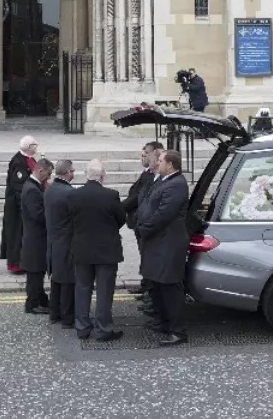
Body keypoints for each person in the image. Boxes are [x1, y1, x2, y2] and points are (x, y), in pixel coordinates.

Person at [136, 149, 190, 346]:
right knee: (157, 285)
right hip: (157, 242)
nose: (157, 163)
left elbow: (163, 214)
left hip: (168, 243)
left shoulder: (177, 184)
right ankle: (163, 322)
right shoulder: (164, 180)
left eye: (160, 160)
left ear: (171, 164)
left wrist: (144, 228)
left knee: (170, 287)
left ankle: (178, 331)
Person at [70, 159, 126, 342]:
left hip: (82, 249)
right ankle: (103, 330)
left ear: (87, 175)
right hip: (106, 250)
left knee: (82, 289)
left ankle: (82, 328)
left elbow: (70, 219)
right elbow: (121, 219)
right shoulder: (111, 195)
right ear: (102, 175)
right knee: (104, 291)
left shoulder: (74, 195)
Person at [124, 141, 163, 304]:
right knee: (144, 256)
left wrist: (118, 207)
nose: (143, 156)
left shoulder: (153, 177)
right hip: (139, 223)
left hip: (145, 224)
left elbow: (137, 198)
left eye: (146, 153)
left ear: (156, 154)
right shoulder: (146, 174)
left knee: (148, 257)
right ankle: (146, 285)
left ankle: (149, 289)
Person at [44, 158, 77, 328]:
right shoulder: (69, 193)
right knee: (68, 281)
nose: (74, 173)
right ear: (67, 172)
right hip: (67, 242)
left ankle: (54, 313)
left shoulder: (50, 190)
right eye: (73, 170)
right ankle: (68, 317)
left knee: (56, 280)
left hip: (53, 241)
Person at [0, 135, 40, 274]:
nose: (37, 146)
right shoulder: (18, 163)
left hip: (26, 203)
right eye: (35, 144)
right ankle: (16, 264)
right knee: (17, 234)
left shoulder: (29, 159)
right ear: (29, 147)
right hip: (17, 207)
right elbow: (19, 187)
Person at [19, 156, 53, 314]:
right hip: (35, 240)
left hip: (36, 238)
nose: (49, 177)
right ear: (40, 170)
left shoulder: (34, 186)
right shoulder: (32, 189)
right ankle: (32, 304)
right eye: (48, 173)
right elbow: (38, 215)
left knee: (38, 273)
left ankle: (40, 300)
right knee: (35, 274)